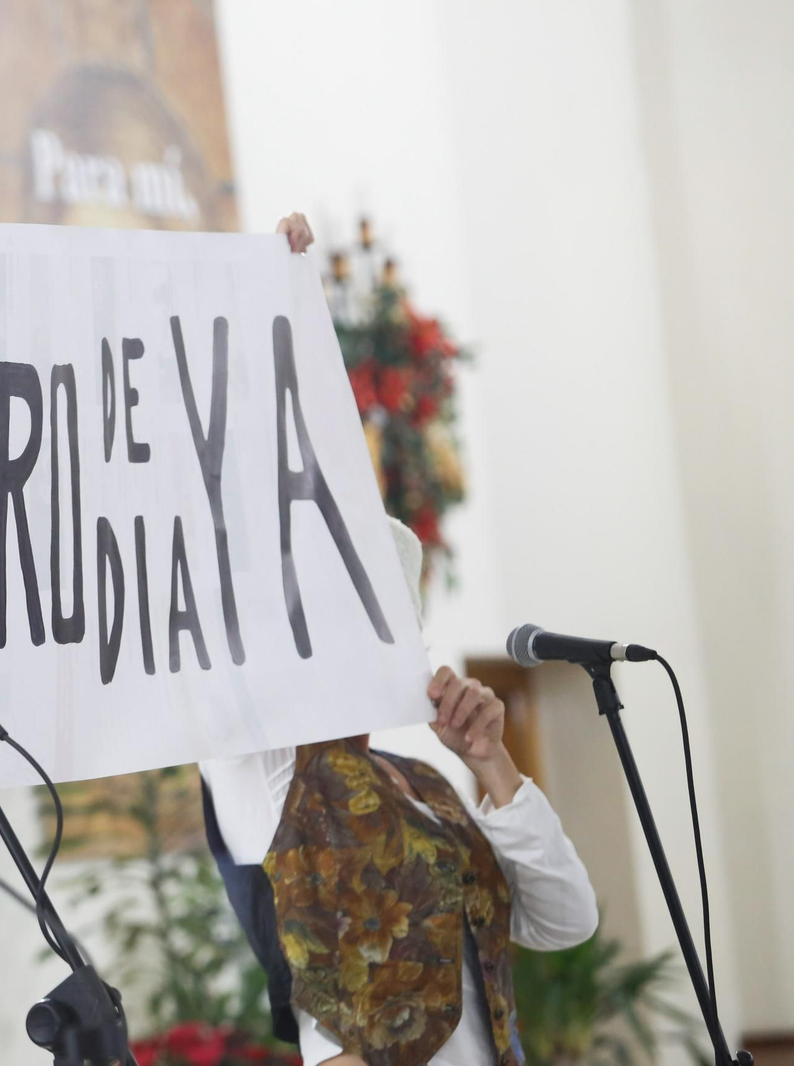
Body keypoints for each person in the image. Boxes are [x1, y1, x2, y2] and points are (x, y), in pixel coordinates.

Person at [197, 216, 599, 1066]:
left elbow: (565, 921)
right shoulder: (262, 776)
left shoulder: (425, 783)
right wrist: (264, 294)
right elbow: (240, 489)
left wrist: (493, 764)